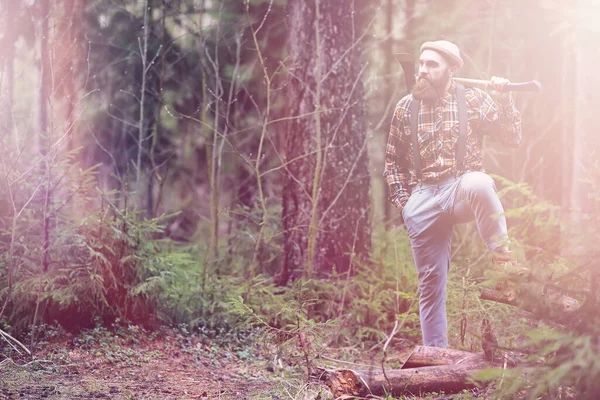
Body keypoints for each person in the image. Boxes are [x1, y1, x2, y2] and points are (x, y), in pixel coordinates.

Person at [383, 40, 522, 348]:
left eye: (432, 65)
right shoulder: (407, 106)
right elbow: (391, 164)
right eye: (421, 63)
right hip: (421, 197)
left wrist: (504, 101)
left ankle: (503, 263)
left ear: (452, 69)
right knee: (430, 286)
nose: (423, 70)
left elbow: (512, 139)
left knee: (480, 182)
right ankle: (436, 359)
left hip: (459, 189)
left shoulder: (472, 99)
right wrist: (405, 206)